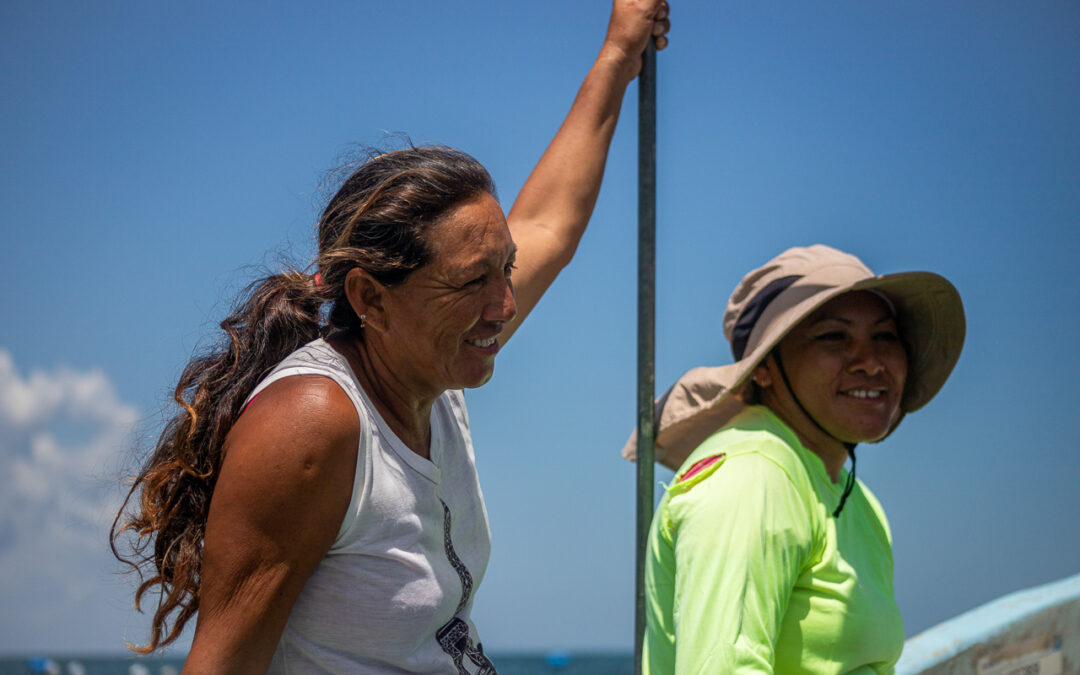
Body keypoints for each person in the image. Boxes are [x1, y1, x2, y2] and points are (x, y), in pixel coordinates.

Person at [111, 2, 670, 672]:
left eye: (505, 270)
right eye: (473, 282)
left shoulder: (431, 363)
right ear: (370, 297)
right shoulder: (313, 426)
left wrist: (617, 52)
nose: (504, 304)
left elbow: (551, 222)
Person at [625, 245, 966, 673]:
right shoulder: (752, 477)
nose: (870, 362)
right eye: (834, 337)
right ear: (765, 367)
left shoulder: (855, 499)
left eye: (885, 336)